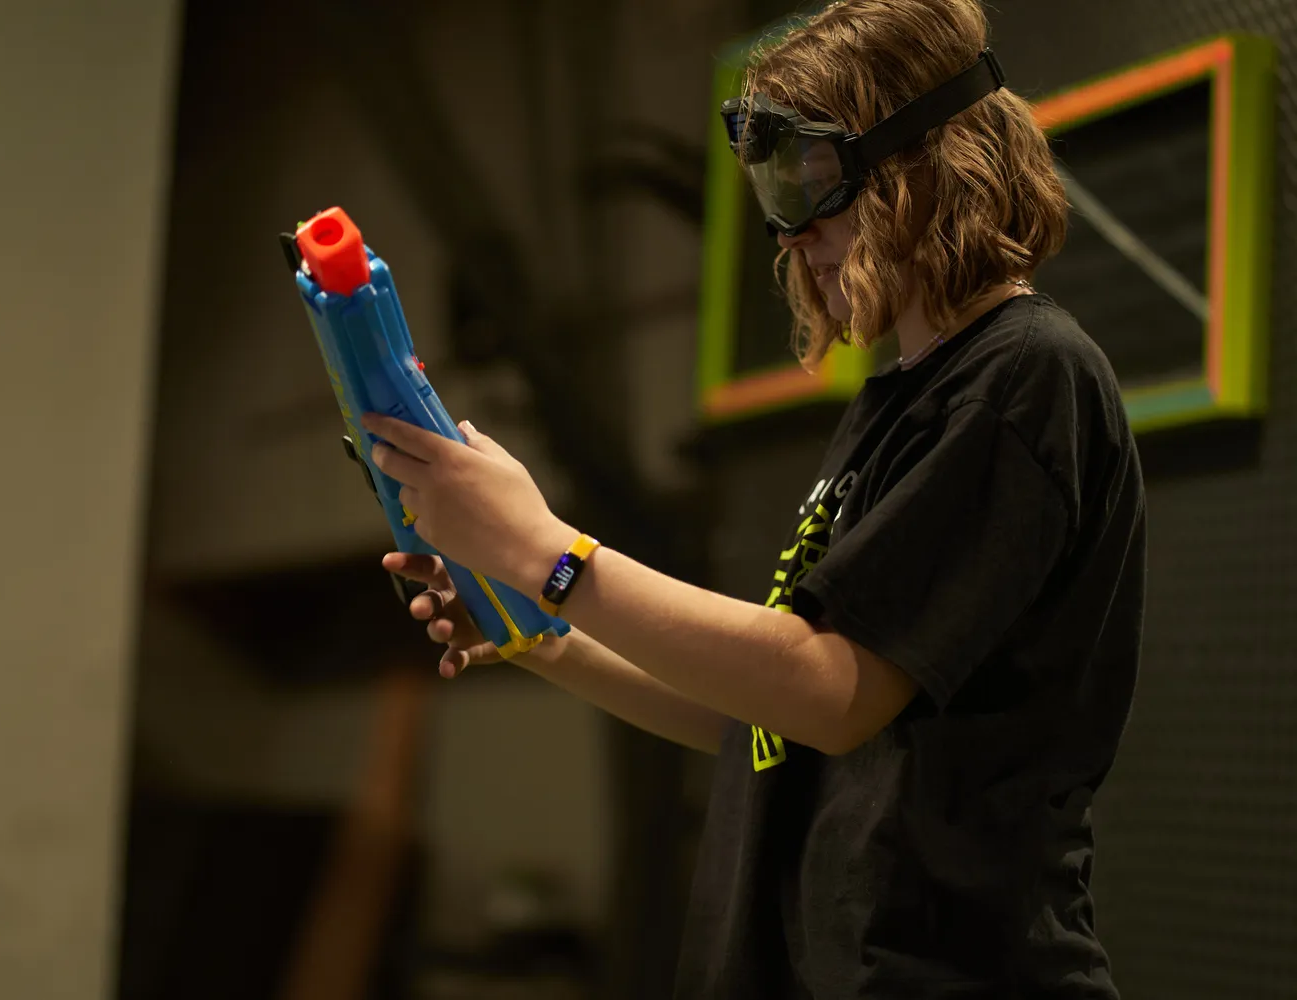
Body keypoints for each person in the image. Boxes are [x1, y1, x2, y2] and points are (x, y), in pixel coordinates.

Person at [361, 0, 1145, 995]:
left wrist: (544, 550)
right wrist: (534, 628)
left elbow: (827, 691)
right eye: (776, 189)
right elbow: (762, 719)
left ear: (924, 162)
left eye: (813, 179)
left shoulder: (1023, 378)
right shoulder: (897, 404)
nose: (794, 232)